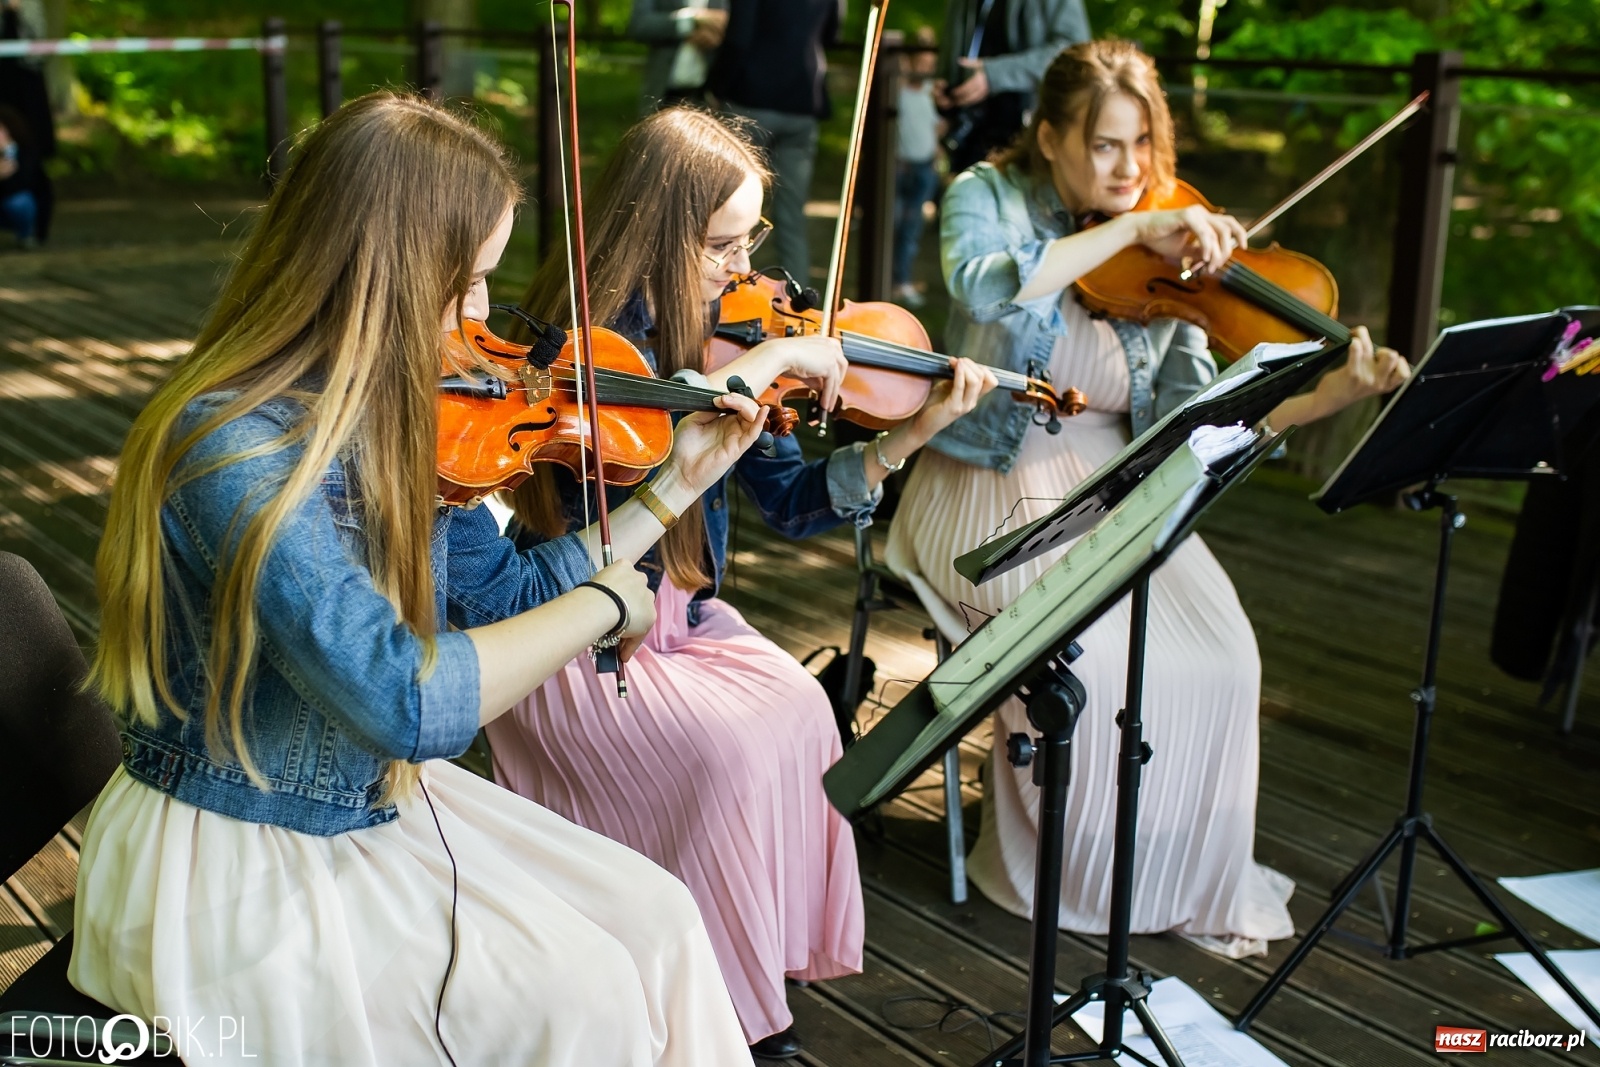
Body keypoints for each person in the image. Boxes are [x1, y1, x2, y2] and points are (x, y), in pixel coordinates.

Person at [69, 92, 772, 1066]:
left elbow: (503, 601)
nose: (485, 318)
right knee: (583, 993)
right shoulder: (231, 449)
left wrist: (673, 486)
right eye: (470, 281)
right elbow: (405, 697)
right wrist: (608, 602)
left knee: (655, 915)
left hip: (370, 805)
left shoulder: (410, 419)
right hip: (236, 852)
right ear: (387, 272)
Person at [486, 106, 996, 1060]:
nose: (743, 268)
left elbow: (799, 504)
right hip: (582, 632)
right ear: (656, 228)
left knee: (804, 713)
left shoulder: (726, 338)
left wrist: (911, 434)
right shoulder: (590, 349)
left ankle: (745, 971)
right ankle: (730, 1022)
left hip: (681, 618)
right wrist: (759, 368)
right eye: (721, 244)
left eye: (748, 239)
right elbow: (617, 508)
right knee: (724, 759)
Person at [887, 41, 1410, 958]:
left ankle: (1171, 875)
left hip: (1116, 487)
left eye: (1143, 147)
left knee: (1226, 656)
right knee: (1088, 670)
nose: (1131, 171)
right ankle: (1077, 875)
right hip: (984, 477)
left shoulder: (1176, 241)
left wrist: (1334, 393)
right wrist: (1132, 233)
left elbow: (1194, 422)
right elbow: (987, 290)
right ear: (1048, 138)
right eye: (1105, 146)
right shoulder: (987, 197)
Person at [708, 0, 843, 283]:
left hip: (750, 100)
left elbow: (738, 36)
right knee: (792, 216)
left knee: (722, 206)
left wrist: (716, 86)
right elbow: (831, 35)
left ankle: (724, 294)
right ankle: (797, 303)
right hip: (803, 99)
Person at [936, 0, 1091, 173]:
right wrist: (947, 87)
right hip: (969, 140)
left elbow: (1074, 50)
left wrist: (995, 74)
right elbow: (956, 52)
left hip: (1027, 140)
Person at [892, 26, 942, 309]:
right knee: (893, 225)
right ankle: (888, 280)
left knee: (911, 230)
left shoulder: (930, 92)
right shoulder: (896, 90)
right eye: (920, 63)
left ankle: (903, 282)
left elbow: (935, 125)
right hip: (899, 167)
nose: (925, 69)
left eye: (929, 65)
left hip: (924, 168)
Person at [629, 0, 728, 114]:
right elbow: (639, 25)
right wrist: (691, 20)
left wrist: (717, 38)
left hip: (706, 96)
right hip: (662, 92)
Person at [0, 105, 39, 248]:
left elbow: (26, 183)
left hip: (15, 205)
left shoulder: (24, 153)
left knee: (19, 201)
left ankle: (26, 234)